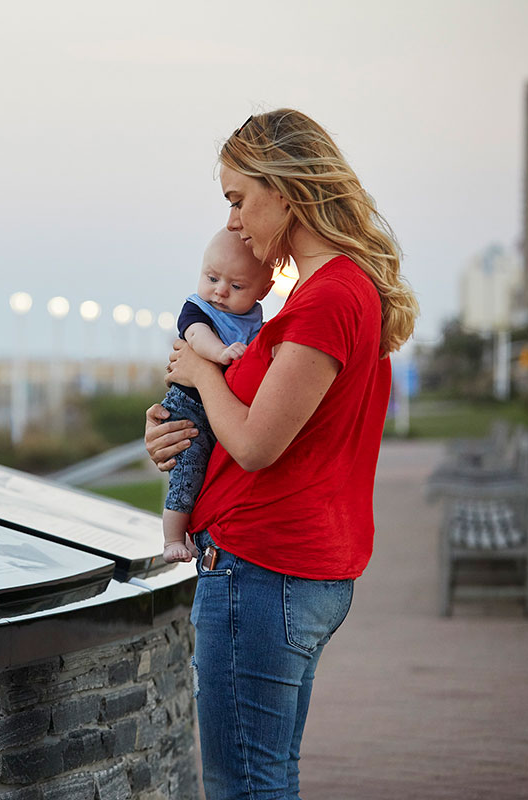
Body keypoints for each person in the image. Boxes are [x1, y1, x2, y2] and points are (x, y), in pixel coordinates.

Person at [143, 109, 418, 800]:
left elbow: (260, 444)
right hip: (289, 570)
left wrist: (200, 374)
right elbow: (261, 425)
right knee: (268, 776)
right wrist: (173, 430)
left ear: (286, 191)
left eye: (239, 199)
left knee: (243, 784)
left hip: (263, 571)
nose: (233, 221)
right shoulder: (340, 292)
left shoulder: (327, 298)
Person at [160, 229, 273, 564]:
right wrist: (221, 353)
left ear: (263, 291)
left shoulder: (255, 321)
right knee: (188, 470)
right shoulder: (198, 309)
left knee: (208, 474)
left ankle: (191, 531)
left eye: (237, 286)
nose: (220, 291)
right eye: (211, 277)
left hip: (220, 412)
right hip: (190, 408)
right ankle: (172, 538)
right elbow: (195, 337)